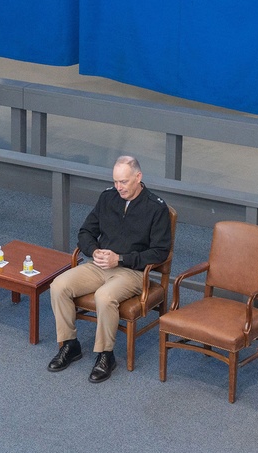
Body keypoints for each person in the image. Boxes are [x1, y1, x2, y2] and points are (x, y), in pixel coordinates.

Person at [48, 156, 171, 383]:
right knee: (58, 286)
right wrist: (94, 251)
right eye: (115, 181)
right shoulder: (107, 198)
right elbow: (85, 232)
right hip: (98, 265)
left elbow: (160, 252)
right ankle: (69, 344)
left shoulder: (156, 208)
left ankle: (105, 355)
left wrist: (121, 258)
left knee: (104, 296)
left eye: (123, 182)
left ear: (138, 177)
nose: (118, 187)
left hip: (131, 271)